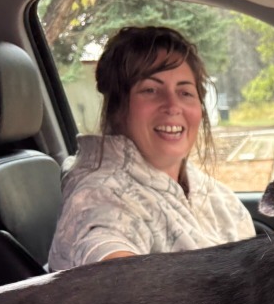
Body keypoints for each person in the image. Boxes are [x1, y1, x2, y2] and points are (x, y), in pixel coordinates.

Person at [48, 26, 257, 270]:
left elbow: (250, 275)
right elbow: (105, 257)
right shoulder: (101, 195)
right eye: (150, 90)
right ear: (117, 109)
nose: (172, 105)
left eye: (185, 92)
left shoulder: (209, 192)